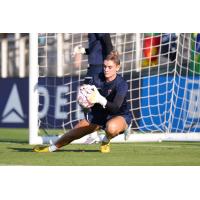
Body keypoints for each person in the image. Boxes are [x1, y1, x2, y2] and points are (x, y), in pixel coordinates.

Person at [33, 51, 133, 153]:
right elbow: (87, 99)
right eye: (104, 66)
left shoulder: (121, 84)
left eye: (110, 67)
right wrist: (83, 102)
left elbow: (115, 107)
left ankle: (106, 140)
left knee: (111, 128)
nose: (106, 69)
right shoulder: (96, 78)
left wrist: (100, 99)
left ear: (117, 67)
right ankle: (50, 148)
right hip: (99, 115)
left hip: (119, 115)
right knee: (73, 133)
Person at [73, 33, 113, 143]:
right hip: (94, 67)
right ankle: (95, 132)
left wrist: (109, 64)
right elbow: (96, 49)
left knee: (85, 97)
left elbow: (107, 42)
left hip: (98, 68)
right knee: (95, 99)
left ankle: (94, 133)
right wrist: (83, 51)